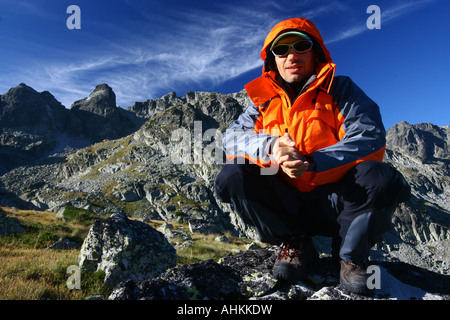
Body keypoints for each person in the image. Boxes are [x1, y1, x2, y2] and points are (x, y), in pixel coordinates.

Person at [214, 17, 410, 294]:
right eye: (281, 50)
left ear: (315, 52)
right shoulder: (262, 101)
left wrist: (312, 162)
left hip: (338, 200)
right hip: (286, 201)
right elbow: (231, 139)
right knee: (233, 174)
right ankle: (295, 243)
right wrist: (272, 147)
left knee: (380, 177)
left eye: (301, 46)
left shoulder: (341, 89)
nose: (291, 55)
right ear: (272, 60)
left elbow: (368, 136)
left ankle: (350, 256)